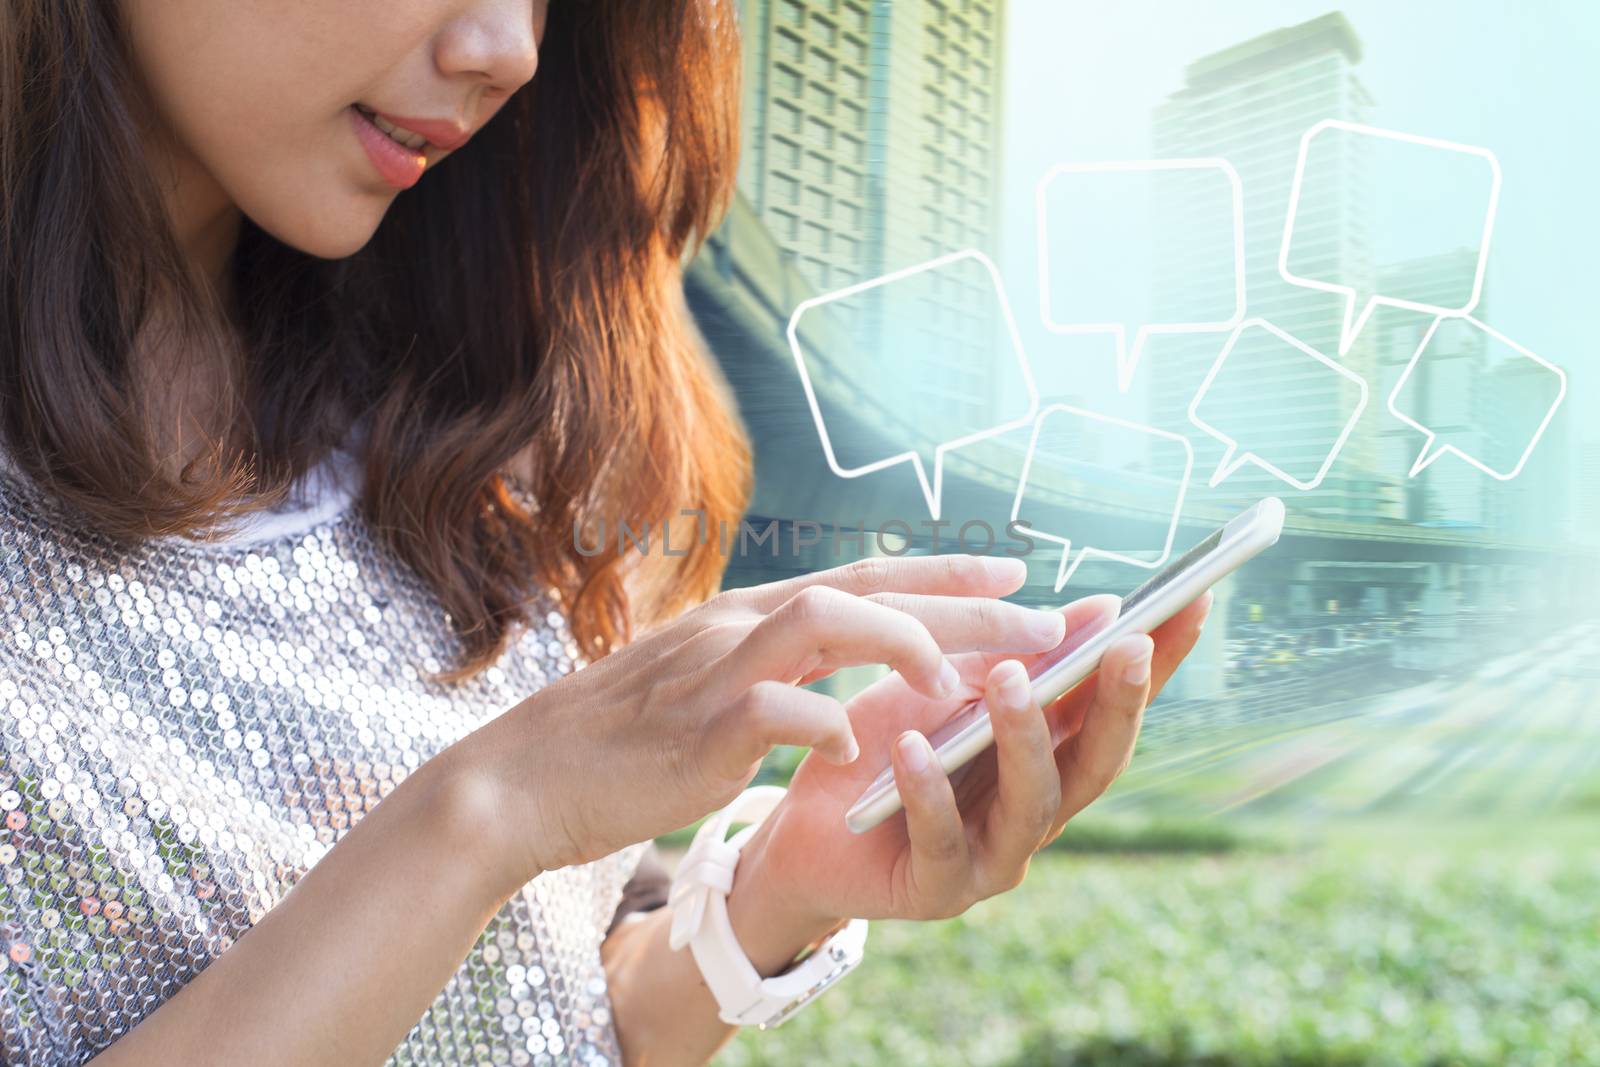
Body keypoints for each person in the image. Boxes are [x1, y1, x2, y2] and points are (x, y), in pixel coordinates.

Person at [0, 1, 1212, 1064]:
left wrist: (780, 884)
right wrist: (487, 806)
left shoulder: (459, 400)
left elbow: (548, 1019)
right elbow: (491, 824)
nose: (511, 48)